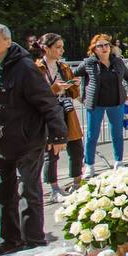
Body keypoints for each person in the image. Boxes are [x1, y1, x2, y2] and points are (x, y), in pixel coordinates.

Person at [0, 23, 67, 256]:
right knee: (2, 192)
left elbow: (47, 102)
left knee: (28, 190)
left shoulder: (24, 68)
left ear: (7, 43)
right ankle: (10, 240)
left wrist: (58, 134)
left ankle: (34, 242)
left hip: (28, 139)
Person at [74, 33, 128, 175]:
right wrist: (79, 94)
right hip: (96, 104)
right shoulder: (89, 62)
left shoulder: (117, 62)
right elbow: (74, 74)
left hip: (116, 102)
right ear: (94, 49)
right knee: (92, 134)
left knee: (117, 133)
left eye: (106, 45)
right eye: (100, 46)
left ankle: (118, 161)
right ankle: (89, 164)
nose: (104, 48)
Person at [35, 34, 84, 200]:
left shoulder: (63, 67)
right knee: (51, 151)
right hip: (48, 114)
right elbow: (35, 95)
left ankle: (77, 182)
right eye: (58, 47)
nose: (61, 50)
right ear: (45, 48)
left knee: (76, 148)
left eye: (62, 47)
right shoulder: (36, 68)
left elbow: (74, 94)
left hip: (66, 111)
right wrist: (54, 89)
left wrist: (74, 86)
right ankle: (54, 188)